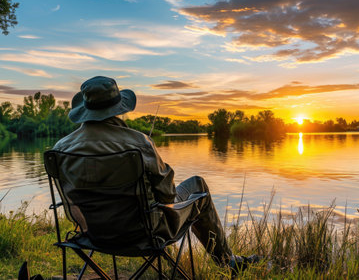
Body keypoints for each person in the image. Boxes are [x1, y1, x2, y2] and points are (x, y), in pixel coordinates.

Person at [52, 76, 259, 271]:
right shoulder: (138, 142)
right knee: (198, 185)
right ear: (117, 109)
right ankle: (227, 262)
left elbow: (71, 198)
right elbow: (168, 196)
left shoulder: (60, 149)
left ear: (85, 109)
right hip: (143, 235)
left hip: (93, 235)